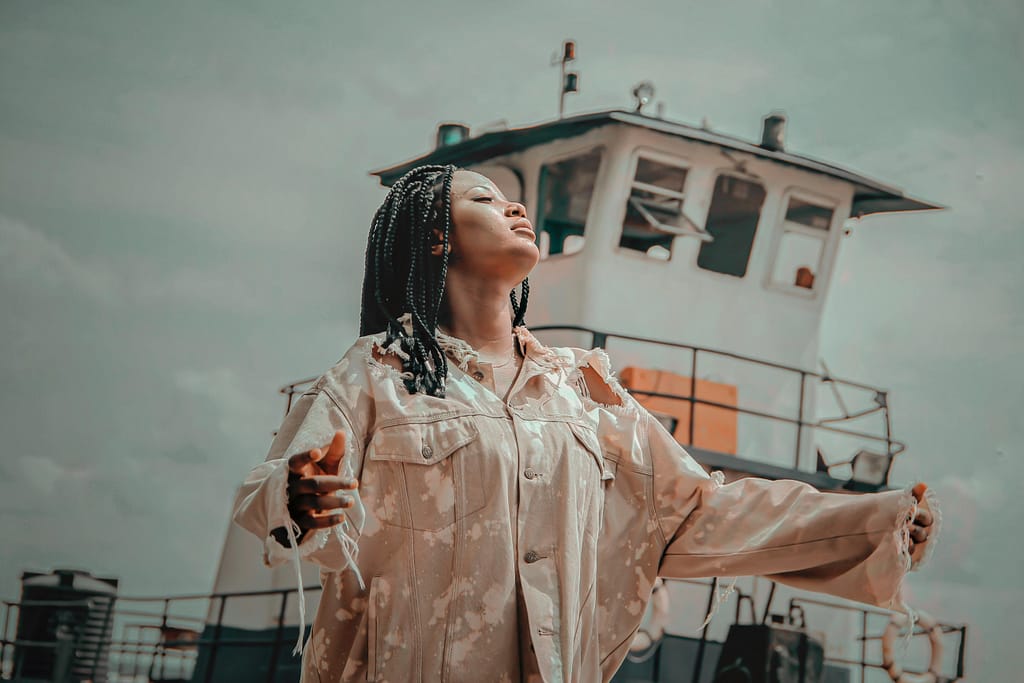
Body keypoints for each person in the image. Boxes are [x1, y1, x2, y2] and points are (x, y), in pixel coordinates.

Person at [232, 164, 936, 683]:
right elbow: (267, 491)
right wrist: (296, 499)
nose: (513, 206)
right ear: (437, 238)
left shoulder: (584, 390)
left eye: (512, 199)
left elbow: (698, 511)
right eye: (482, 198)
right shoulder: (376, 373)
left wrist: (876, 522)